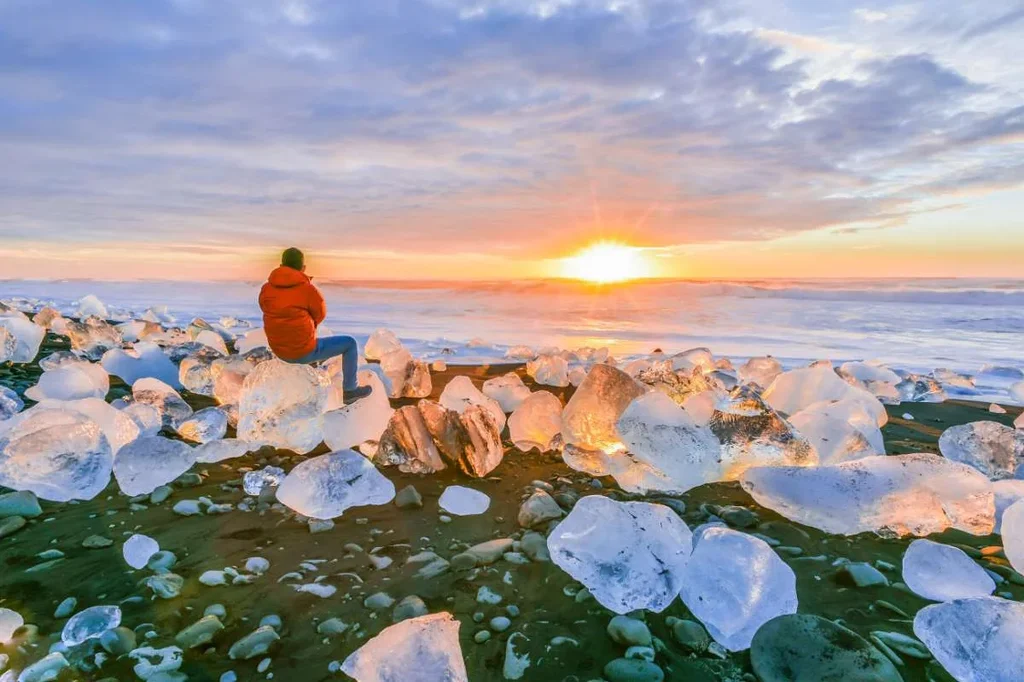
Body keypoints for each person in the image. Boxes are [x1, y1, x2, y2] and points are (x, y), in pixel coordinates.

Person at [258, 247, 371, 404]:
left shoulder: (266, 289)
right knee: (350, 343)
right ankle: (350, 389)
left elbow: (266, 309)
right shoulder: (307, 289)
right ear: (303, 268)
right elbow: (320, 314)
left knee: (300, 336)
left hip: (279, 350)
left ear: (281, 265)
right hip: (302, 352)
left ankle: (311, 368)